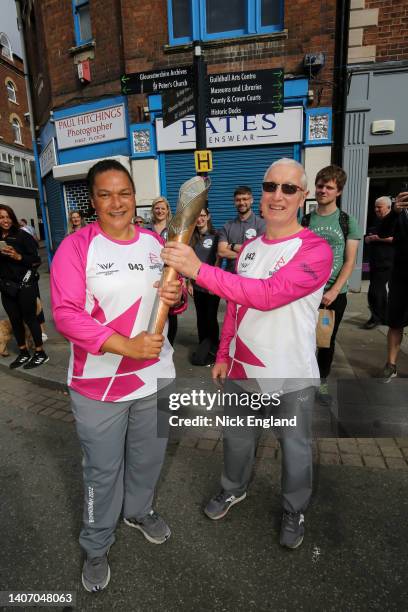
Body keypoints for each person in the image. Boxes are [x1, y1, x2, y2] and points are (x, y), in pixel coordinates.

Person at [162, 158, 333, 550]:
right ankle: (232, 489)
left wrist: (198, 270)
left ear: (303, 196)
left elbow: (269, 295)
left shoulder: (316, 250)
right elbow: (236, 306)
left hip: (292, 373)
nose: (277, 195)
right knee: (237, 439)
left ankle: (294, 508)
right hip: (243, 368)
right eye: (271, 186)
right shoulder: (250, 249)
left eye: (289, 188)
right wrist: (223, 352)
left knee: (295, 449)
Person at [50, 160, 184, 593]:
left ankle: (138, 510)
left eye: (123, 192)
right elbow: (66, 315)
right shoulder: (76, 247)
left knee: (148, 458)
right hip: (100, 384)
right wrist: (124, 346)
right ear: (93, 201)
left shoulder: (153, 243)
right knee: (101, 472)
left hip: (156, 374)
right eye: (105, 194)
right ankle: (95, 543)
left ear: (134, 195)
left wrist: (178, 297)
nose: (116, 202)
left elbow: (173, 301)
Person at [301, 165, 362, 406]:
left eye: (329, 187)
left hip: (334, 295)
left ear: (338, 191)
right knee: (304, 340)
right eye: (320, 185)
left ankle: (322, 383)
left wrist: (334, 290)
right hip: (306, 293)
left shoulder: (347, 221)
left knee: (325, 341)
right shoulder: (306, 220)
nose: (323, 190)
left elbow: (350, 261)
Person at [0, 205, 48, 368]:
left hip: (25, 285)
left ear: (12, 218)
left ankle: (40, 352)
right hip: (6, 287)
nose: (5, 220)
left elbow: (36, 260)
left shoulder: (22, 236)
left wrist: (18, 256)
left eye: (7, 217)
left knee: (30, 319)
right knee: (15, 320)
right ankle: (23, 352)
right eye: (1, 217)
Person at [188, 207, 220, 365]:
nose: (199, 219)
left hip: (212, 286)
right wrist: (189, 282)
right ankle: (203, 346)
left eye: (202, 215)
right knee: (200, 318)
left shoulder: (216, 236)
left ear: (208, 216)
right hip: (197, 285)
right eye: (197, 216)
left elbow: (219, 260)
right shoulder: (192, 237)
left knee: (211, 318)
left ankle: (214, 348)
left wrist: (215, 282)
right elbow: (187, 262)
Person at [382, 190, 408, 382]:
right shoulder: (399, 213)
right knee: (395, 322)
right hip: (401, 277)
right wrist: (394, 213)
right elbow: (383, 232)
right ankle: (390, 365)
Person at [145, 196, 178, 346]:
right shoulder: (145, 229)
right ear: (153, 210)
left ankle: (168, 343)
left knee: (169, 308)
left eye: (162, 208)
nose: (159, 211)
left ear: (167, 211)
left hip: (168, 271)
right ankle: (151, 339)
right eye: (157, 208)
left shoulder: (174, 228)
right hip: (149, 273)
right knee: (149, 306)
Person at [363, 196, 396, 329]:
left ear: (388, 208)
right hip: (374, 261)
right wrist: (368, 238)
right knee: (380, 291)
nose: (376, 209)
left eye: (379, 207)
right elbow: (367, 238)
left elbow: (396, 239)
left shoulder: (395, 221)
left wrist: (377, 238)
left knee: (374, 291)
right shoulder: (375, 221)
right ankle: (384, 317)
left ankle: (375, 318)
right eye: (375, 207)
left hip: (387, 262)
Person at [217, 186, 265, 272]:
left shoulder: (261, 224)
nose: (241, 202)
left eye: (245, 199)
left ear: (251, 200)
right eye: (238, 200)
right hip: (231, 277)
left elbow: (261, 251)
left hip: (253, 277)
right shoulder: (227, 226)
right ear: (234, 202)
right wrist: (247, 254)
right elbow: (222, 251)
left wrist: (232, 246)